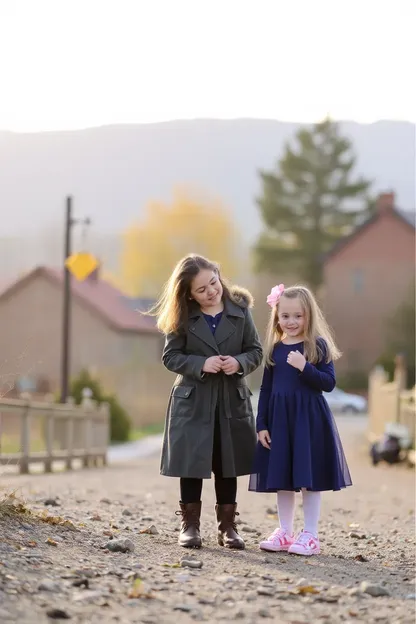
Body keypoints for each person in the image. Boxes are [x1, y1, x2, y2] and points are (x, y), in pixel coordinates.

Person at [153, 254, 262, 549]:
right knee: (192, 463)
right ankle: (190, 526)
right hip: (193, 401)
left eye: (213, 282)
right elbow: (170, 357)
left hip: (230, 399)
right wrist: (202, 363)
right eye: (201, 290)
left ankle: (228, 527)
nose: (211, 291)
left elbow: (255, 351)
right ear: (188, 293)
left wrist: (237, 363)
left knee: (227, 463)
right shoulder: (182, 317)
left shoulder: (240, 310)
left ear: (218, 275)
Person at [249, 284, 352, 556]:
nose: (291, 322)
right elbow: (267, 390)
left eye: (298, 316)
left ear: (309, 316)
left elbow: (328, 383)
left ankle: (311, 535)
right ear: (277, 317)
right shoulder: (274, 350)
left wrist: (304, 367)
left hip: (308, 420)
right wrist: (262, 424)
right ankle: (284, 531)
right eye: (285, 316)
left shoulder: (317, 345)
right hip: (280, 421)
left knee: (308, 477)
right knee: (282, 478)